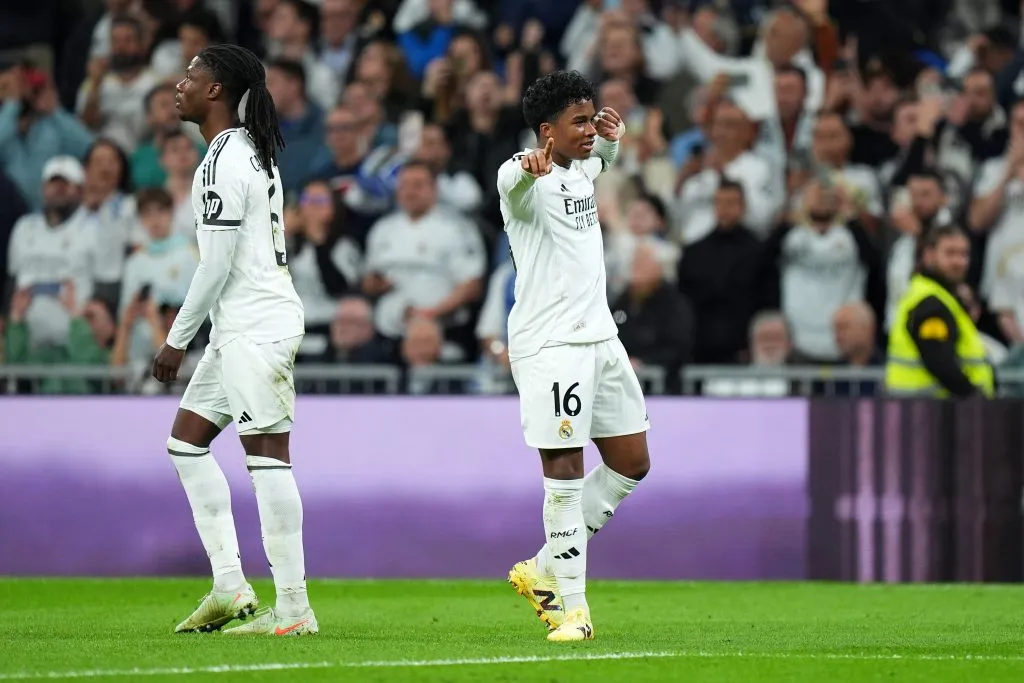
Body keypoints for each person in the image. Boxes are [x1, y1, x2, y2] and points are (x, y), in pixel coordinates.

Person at [151, 44, 316, 636]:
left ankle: (293, 609)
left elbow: (216, 265)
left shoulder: (224, 159)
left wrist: (176, 340)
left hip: (256, 328)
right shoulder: (248, 147)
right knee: (186, 445)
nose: (180, 84)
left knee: (268, 459)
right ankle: (230, 586)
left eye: (191, 76)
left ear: (216, 90)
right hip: (238, 330)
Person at [497, 70, 651, 643]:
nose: (588, 130)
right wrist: (525, 165)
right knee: (563, 470)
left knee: (632, 462)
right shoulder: (523, 182)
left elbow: (599, 162)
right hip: (552, 346)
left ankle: (542, 567)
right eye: (578, 122)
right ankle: (573, 610)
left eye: (591, 118)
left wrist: (611, 139)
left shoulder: (582, 168)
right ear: (547, 131)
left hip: (601, 340)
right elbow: (512, 179)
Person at [885, 225, 995, 398]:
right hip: (929, 408)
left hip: (926, 407)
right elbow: (939, 361)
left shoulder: (939, 295)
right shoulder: (930, 304)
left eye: (964, 254)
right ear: (929, 256)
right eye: (950, 253)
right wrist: (974, 396)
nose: (959, 262)